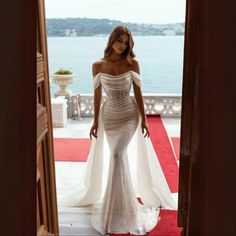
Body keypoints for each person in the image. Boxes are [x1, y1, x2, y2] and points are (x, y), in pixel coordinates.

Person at [59, 26, 177, 235]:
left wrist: (144, 119)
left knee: (117, 155)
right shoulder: (98, 65)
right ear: (111, 40)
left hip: (129, 114)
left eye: (125, 42)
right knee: (116, 158)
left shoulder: (133, 63)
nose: (122, 46)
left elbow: (139, 93)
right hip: (110, 115)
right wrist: (95, 121)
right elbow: (96, 96)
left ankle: (125, 210)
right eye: (119, 41)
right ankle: (115, 208)